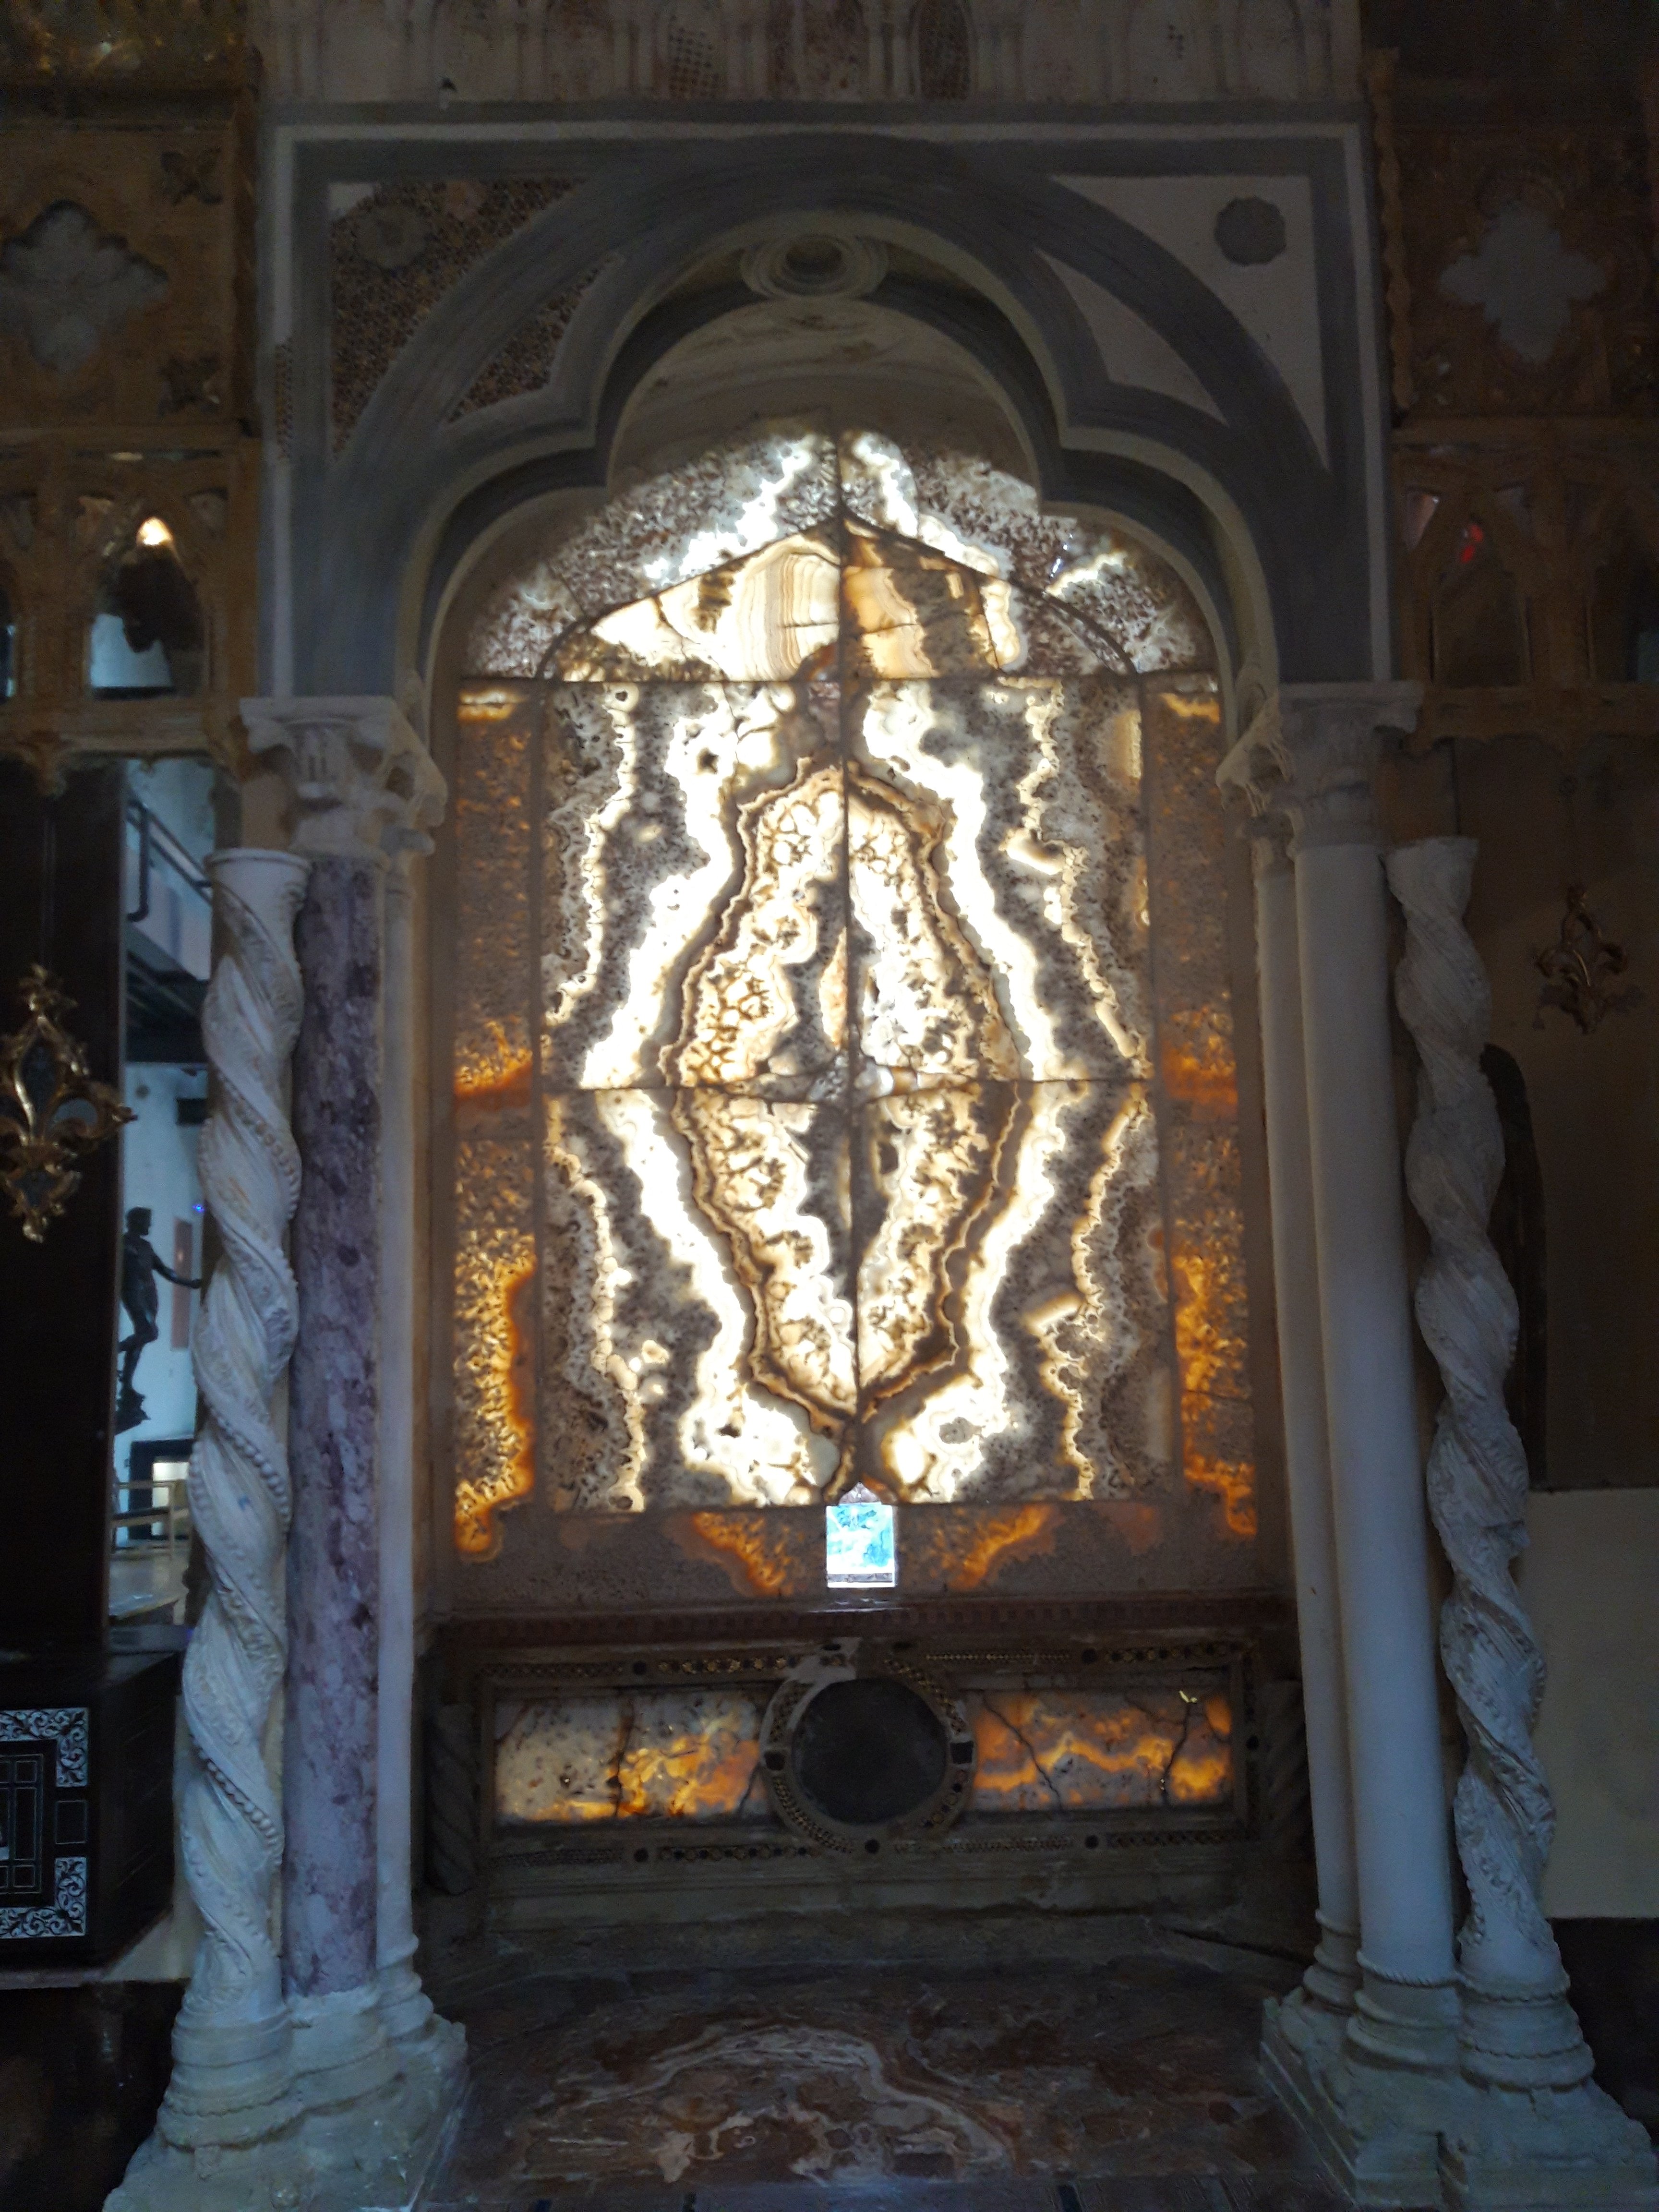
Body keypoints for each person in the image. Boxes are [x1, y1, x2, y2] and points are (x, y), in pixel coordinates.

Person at [116, 1205, 202, 1430]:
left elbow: (164, 1270)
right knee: (149, 1333)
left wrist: (188, 1283)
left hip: (149, 1294)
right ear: (136, 1222)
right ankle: (115, 1350)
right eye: (147, 1221)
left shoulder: (146, 1246)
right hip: (134, 1292)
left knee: (140, 1342)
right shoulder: (124, 1244)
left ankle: (126, 1385)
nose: (150, 1225)